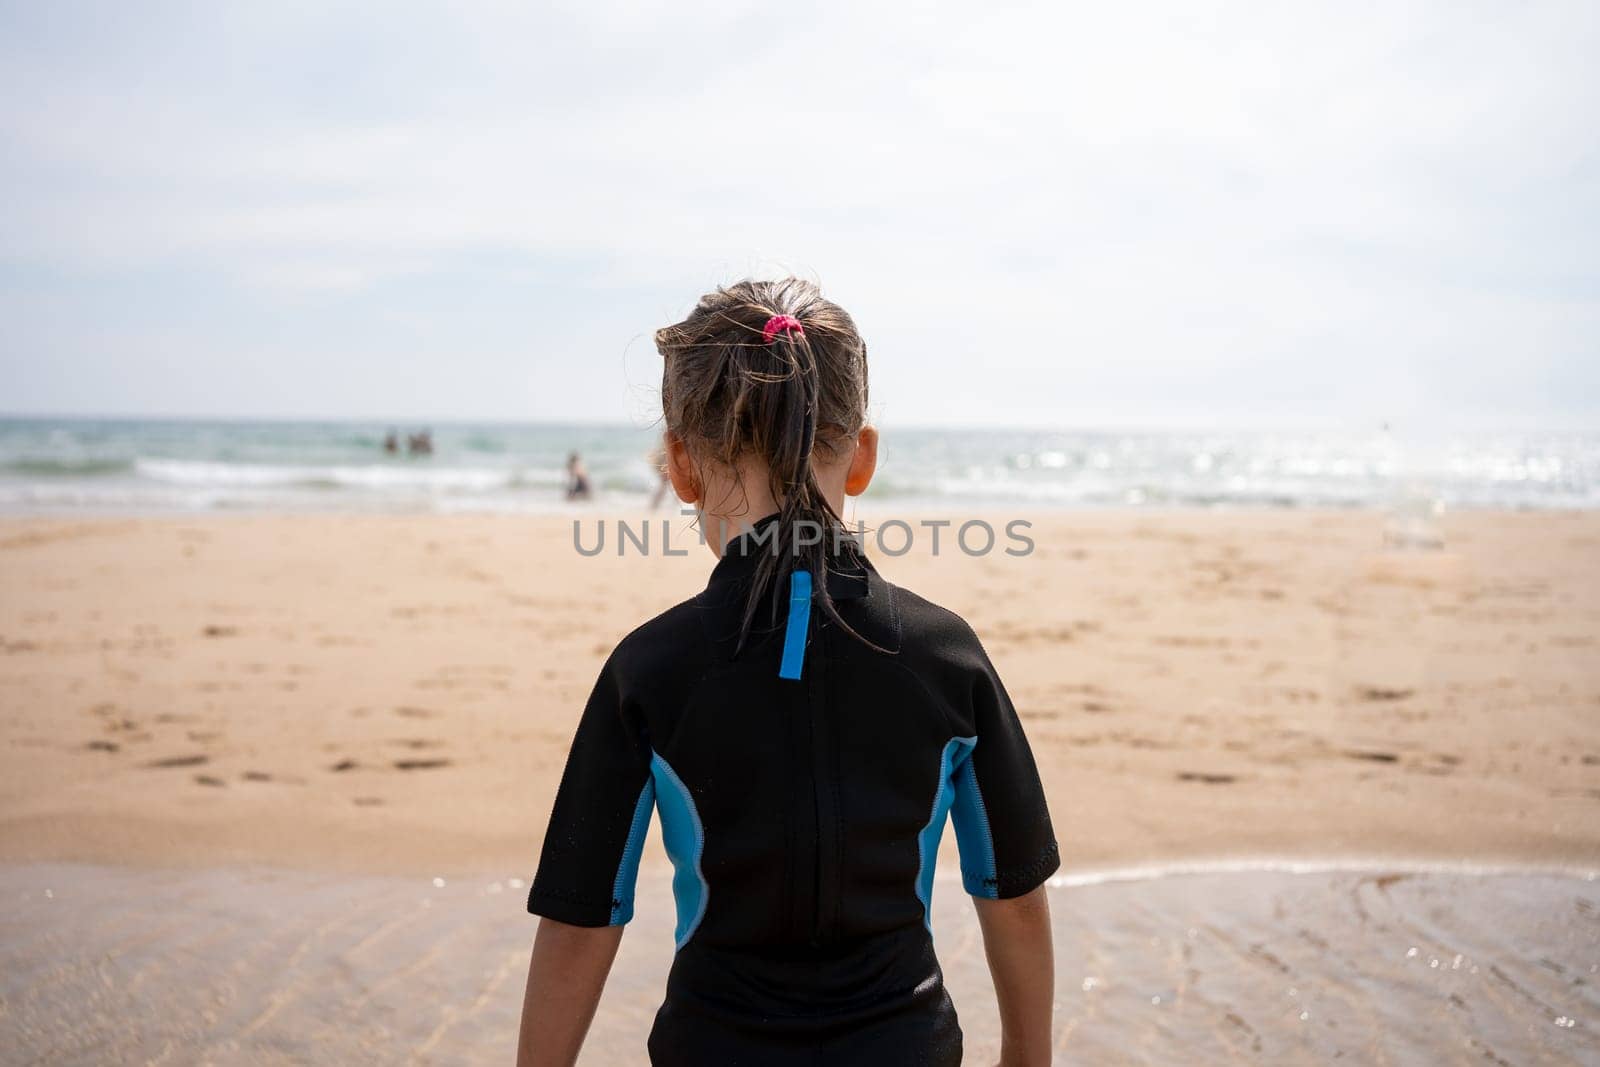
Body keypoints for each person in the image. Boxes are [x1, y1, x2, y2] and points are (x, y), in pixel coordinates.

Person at [518, 279, 1058, 1066]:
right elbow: (1012, 897)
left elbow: (580, 920)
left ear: (682, 466)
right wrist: (1026, 1059)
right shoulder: (947, 658)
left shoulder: (652, 670)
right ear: (862, 455)